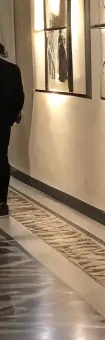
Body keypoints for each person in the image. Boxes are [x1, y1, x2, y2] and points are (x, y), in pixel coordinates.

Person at [0, 44, 24, 216]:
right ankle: (2, 202)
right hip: (2, 124)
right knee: (1, 159)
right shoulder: (12, 70)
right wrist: (10, 118)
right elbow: (19, 98)